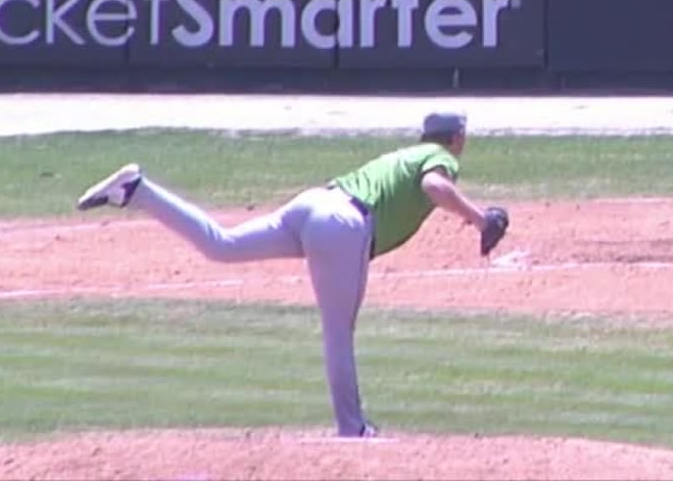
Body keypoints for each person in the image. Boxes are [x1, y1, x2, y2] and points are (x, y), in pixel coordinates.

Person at [74, 111, 511, 439]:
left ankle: (138, 191)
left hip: (312, 204)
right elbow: (434, 187)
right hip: (343, 225)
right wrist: (480, 219)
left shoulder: (407, 153)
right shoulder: (439, 157)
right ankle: (352, 429)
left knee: (222, 245)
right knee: (338, 331)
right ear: (458, 138)